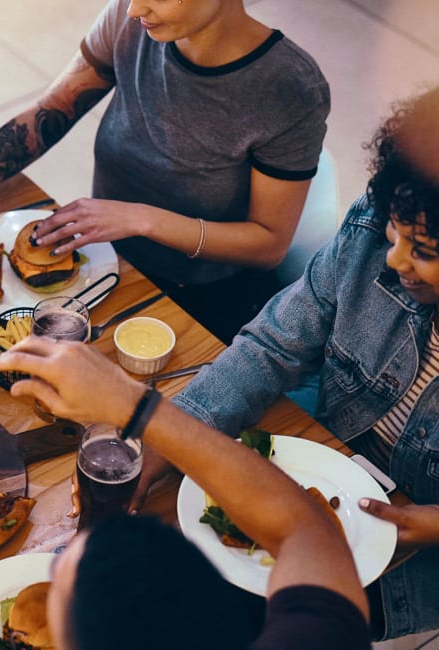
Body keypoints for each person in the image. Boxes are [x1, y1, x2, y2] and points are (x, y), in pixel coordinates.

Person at [145, 89, 439, 640]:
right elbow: (273, 345)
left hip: (416, 559)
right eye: (396, 232)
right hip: (325, 457)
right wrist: (176, 428)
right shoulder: (373, 233)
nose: (395, 258)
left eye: (425, 250)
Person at [0, 0, 329, 344]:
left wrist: (142, 219)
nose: (135, 8)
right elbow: (56, 108)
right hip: (103, 262)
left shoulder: (289, 88)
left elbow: (268, 244)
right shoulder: (130, 19)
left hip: (201, 296)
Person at [0, 337, 370, 649]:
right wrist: (136, 407)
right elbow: (304, 526)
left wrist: (134, 406)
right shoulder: (320, 637)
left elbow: (300, 528)